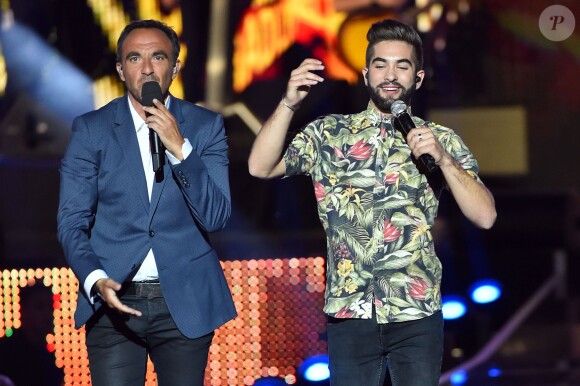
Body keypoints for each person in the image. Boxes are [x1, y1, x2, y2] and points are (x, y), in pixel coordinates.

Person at [248, 19, 496, 386]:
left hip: (416, 313)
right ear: (366, 74)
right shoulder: (328, 132)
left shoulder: (439, 139)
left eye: (402, 65)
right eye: (381, 64)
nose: (390, 74)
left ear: (419, 77)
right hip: (350, 314)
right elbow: (259, 167)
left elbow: (486, 216)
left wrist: (444, 160)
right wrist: (289, 102)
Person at [57, 19, 236, 386]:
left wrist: (180, 149)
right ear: (121, 69)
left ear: (175, 67)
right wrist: (95, 278)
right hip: (114, 301)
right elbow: (71, 221)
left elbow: (216, 216)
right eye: (135, 58)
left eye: (158, 57)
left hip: (184, 300)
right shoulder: (92, 130)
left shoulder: (205, 126)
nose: (147, 67)